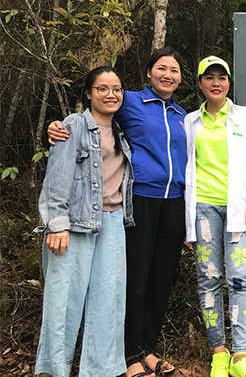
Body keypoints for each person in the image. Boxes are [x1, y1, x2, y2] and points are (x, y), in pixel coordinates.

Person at [48, 47, 187, 377]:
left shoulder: (183, 115)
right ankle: (127, 354)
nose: (168, 75)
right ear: (149, 73)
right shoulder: (131, 101)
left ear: (181, 78)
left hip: (174, 204)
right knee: (134, 280)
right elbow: (95, 120)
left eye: (175, 70)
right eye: (162, 68)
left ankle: (147, 349)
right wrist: (58, 130)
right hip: (138, 200)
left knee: (160, 280)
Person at [35, 67, 134, 377]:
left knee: (110, 299)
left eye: (116, 89)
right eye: (102, 88)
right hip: (74, 224)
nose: (110, 94)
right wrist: (56, 223)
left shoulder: (121, 130)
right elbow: (58, 175)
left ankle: (101, 370)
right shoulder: (74, 125)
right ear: (89, 93)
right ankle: (56, 369)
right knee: (64, 299)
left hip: (113, 221)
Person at [184, 56, 246, 377]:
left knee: (240, 279)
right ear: (200, 82)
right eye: (209, 77)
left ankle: (240, 357)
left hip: (239, 210)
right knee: (208, 279)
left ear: (229, 83)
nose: (216, 82)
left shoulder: (245, 118)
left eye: (222, 77)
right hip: (202, 210)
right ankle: (218, 352)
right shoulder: (190, 122)